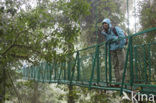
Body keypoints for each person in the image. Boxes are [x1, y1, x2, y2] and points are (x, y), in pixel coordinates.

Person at [101, 18, 126, 83]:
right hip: (112, 51)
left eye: (106, 23)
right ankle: (118, 82)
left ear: (109, 23)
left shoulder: (115, 29)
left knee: (121, 65)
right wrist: (108, 48)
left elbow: (123, 37)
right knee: (115, 66)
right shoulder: (105, 33)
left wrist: (119, 45)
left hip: (119, 49)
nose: (104, 25)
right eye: (103, 24)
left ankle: (123, 82)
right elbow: (107, 42)